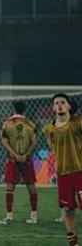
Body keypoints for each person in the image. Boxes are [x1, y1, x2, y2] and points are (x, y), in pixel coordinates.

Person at [42, 93, 82, 246]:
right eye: (56, 103)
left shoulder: (78, 123)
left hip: (80, 172)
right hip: (63, 175)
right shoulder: (48, 129)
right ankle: (73, 243)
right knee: (67, 209)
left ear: (69, 106)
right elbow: (53, 149)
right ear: (53, 107)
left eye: (63, 102)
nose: (59, 105)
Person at [0, 101, 39, 225]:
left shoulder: (7, 124)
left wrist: (15, 155)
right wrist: (26, 154)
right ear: (25, 110)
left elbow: (4, 141)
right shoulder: (31, 124)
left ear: (14, 109)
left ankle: (9, 216)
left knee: (10, 187)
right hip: (26, 160)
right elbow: (34, 142)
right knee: (31, 187)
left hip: (12, 159)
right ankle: (34, 216)